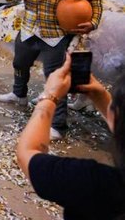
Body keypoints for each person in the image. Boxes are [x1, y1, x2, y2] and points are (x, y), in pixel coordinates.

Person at [0, 0, 102, 140]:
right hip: (28, 30)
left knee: (54, 79)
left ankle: (58, 125)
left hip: (55, 35)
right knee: (19, 63)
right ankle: (19, 95)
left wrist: (93, 22)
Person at [16, 55, 125, 219]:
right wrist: (100, 95)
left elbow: (27, 152)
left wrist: (50, 96)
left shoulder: (93, 182)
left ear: (114, 113)